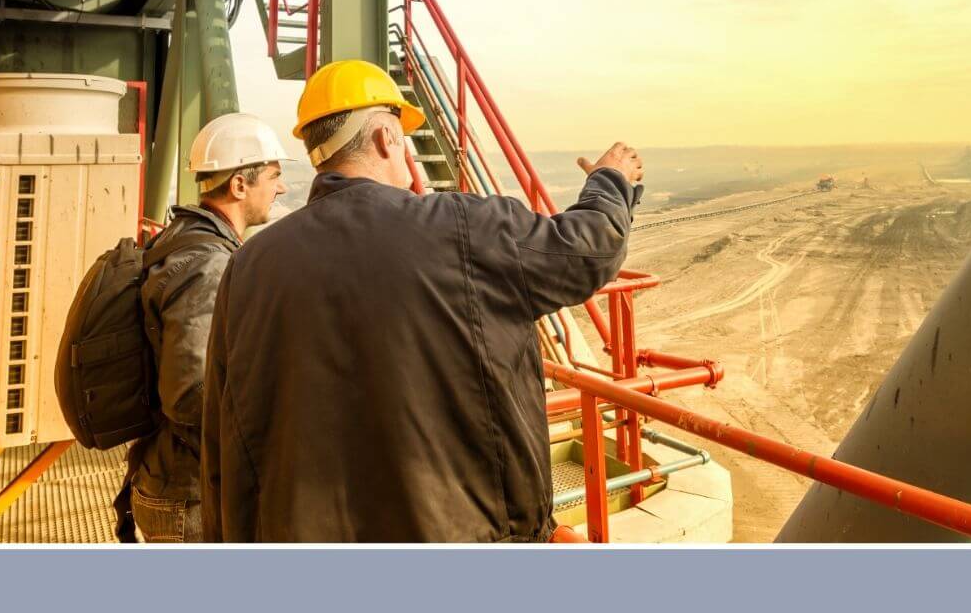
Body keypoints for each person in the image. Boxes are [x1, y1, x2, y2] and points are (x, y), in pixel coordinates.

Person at [201, 59, 644, 542]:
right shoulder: (460, 228)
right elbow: (586, 251)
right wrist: (610, 181)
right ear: (387, 139)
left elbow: (222, 440)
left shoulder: (248, 266)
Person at [117, 112, 289, 543]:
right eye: (273, 175)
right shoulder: (210, 265)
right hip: (185, 495)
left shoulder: (181, 237)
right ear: (238, 186)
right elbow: (191, 394)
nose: (281, 187)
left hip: (168, 479)